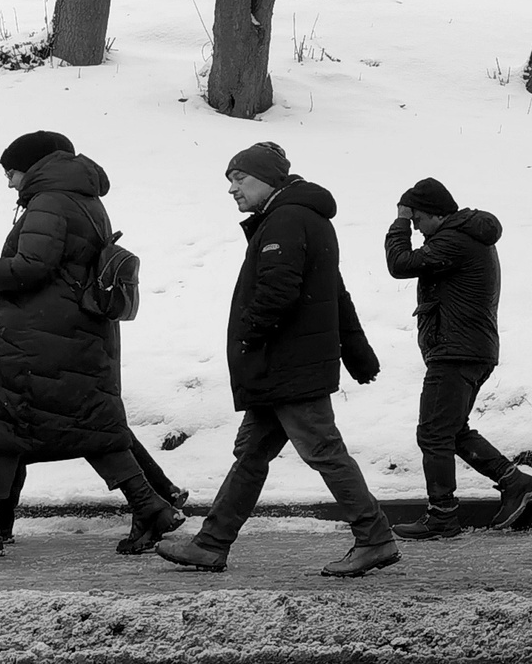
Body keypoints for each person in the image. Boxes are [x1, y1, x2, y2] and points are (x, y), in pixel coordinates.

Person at [155, 143, 398, 576]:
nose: (233, 189)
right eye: (229, 180)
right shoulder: (304, 218)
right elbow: (334, 292)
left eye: (240, 179)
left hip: (288, 363)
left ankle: (375, 538)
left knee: (322, 450)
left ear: (268, 180)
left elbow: (278, 292)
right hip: (284, 364)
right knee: (251, 454)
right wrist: (355, 349)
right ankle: (211, 543)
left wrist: (248, 334)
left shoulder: (286, 219)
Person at [0, 131, 184, 557]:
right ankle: (151, 505)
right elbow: (59, 270)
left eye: (11, 171)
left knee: (0, 425)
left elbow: (33, 266)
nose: (8, 182)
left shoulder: (50, 201)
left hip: (39, 339)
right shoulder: (82, 198)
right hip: (70, 333)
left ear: (34, 166)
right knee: (87, 426)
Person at [383, 178, 532, 538]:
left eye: (418, 220)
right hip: (467, 349)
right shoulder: (464, 236)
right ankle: (514, 481)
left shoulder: (455, 240)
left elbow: (400, 263)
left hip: (456, 352)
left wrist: (397, 222)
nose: (417, 229)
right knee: (451, 431)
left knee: (434, 434)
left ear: (435, 215)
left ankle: (442, 516)